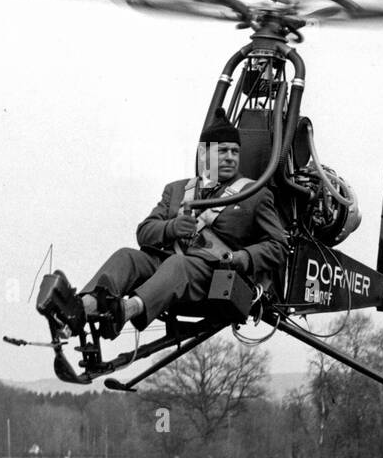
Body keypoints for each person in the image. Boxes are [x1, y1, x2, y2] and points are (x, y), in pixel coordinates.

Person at [72, 108, 288, 339]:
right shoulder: (177, 190)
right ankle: (81, 308)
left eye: (235, 152)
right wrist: (171, 228)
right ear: (204, 154)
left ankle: (125, 311)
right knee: (127, 256)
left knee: (178, 265)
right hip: (166, 268)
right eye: (222, 150)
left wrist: (242, 258)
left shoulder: (254, 194)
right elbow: (144, 232)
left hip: (213, 276)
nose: (230, 157)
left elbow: (279, 245)